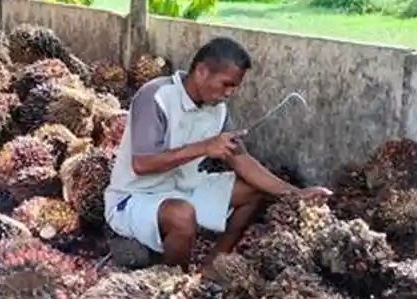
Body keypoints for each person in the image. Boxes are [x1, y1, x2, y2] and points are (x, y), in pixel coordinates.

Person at [103, 36, 332, 270]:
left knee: (253, 190)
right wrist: (205, 147)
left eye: (235, 86)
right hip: (135, 196)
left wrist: (297, 194)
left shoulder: (218, 110)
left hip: (185, 188)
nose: (230, 93)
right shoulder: (157, 96)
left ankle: (212, 268)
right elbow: (142, 164)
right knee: (182, 216)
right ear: (202, 72)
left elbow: (242, 160)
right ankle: (172, 279)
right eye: (226, 84)